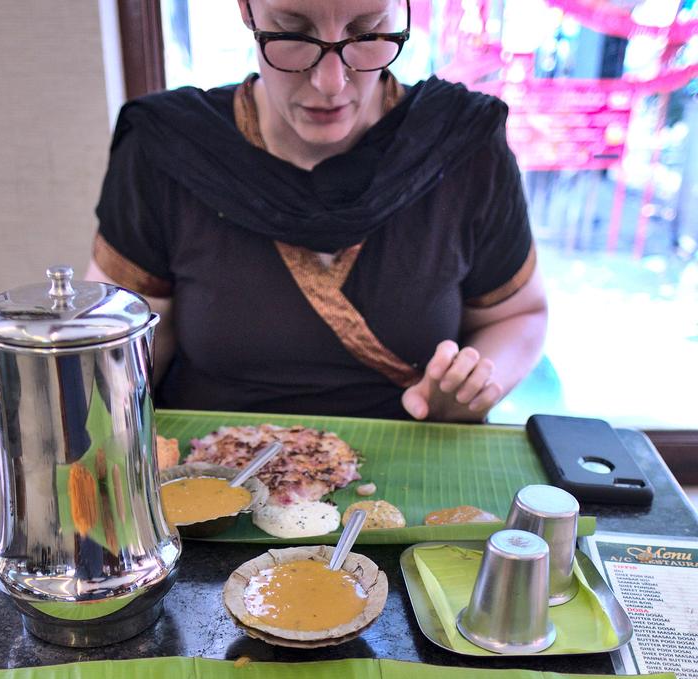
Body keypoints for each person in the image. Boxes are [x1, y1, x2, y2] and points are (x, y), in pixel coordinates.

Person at [86, 0, 547, 422]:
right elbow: (116, 351)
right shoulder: (169, 149)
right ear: (248, 13)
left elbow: (517, 316)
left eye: (367, 33)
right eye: (292, 33)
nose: (331, 83)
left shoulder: (461, 146)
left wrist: (472, 385)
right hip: (213, 468)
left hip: (412, 453)